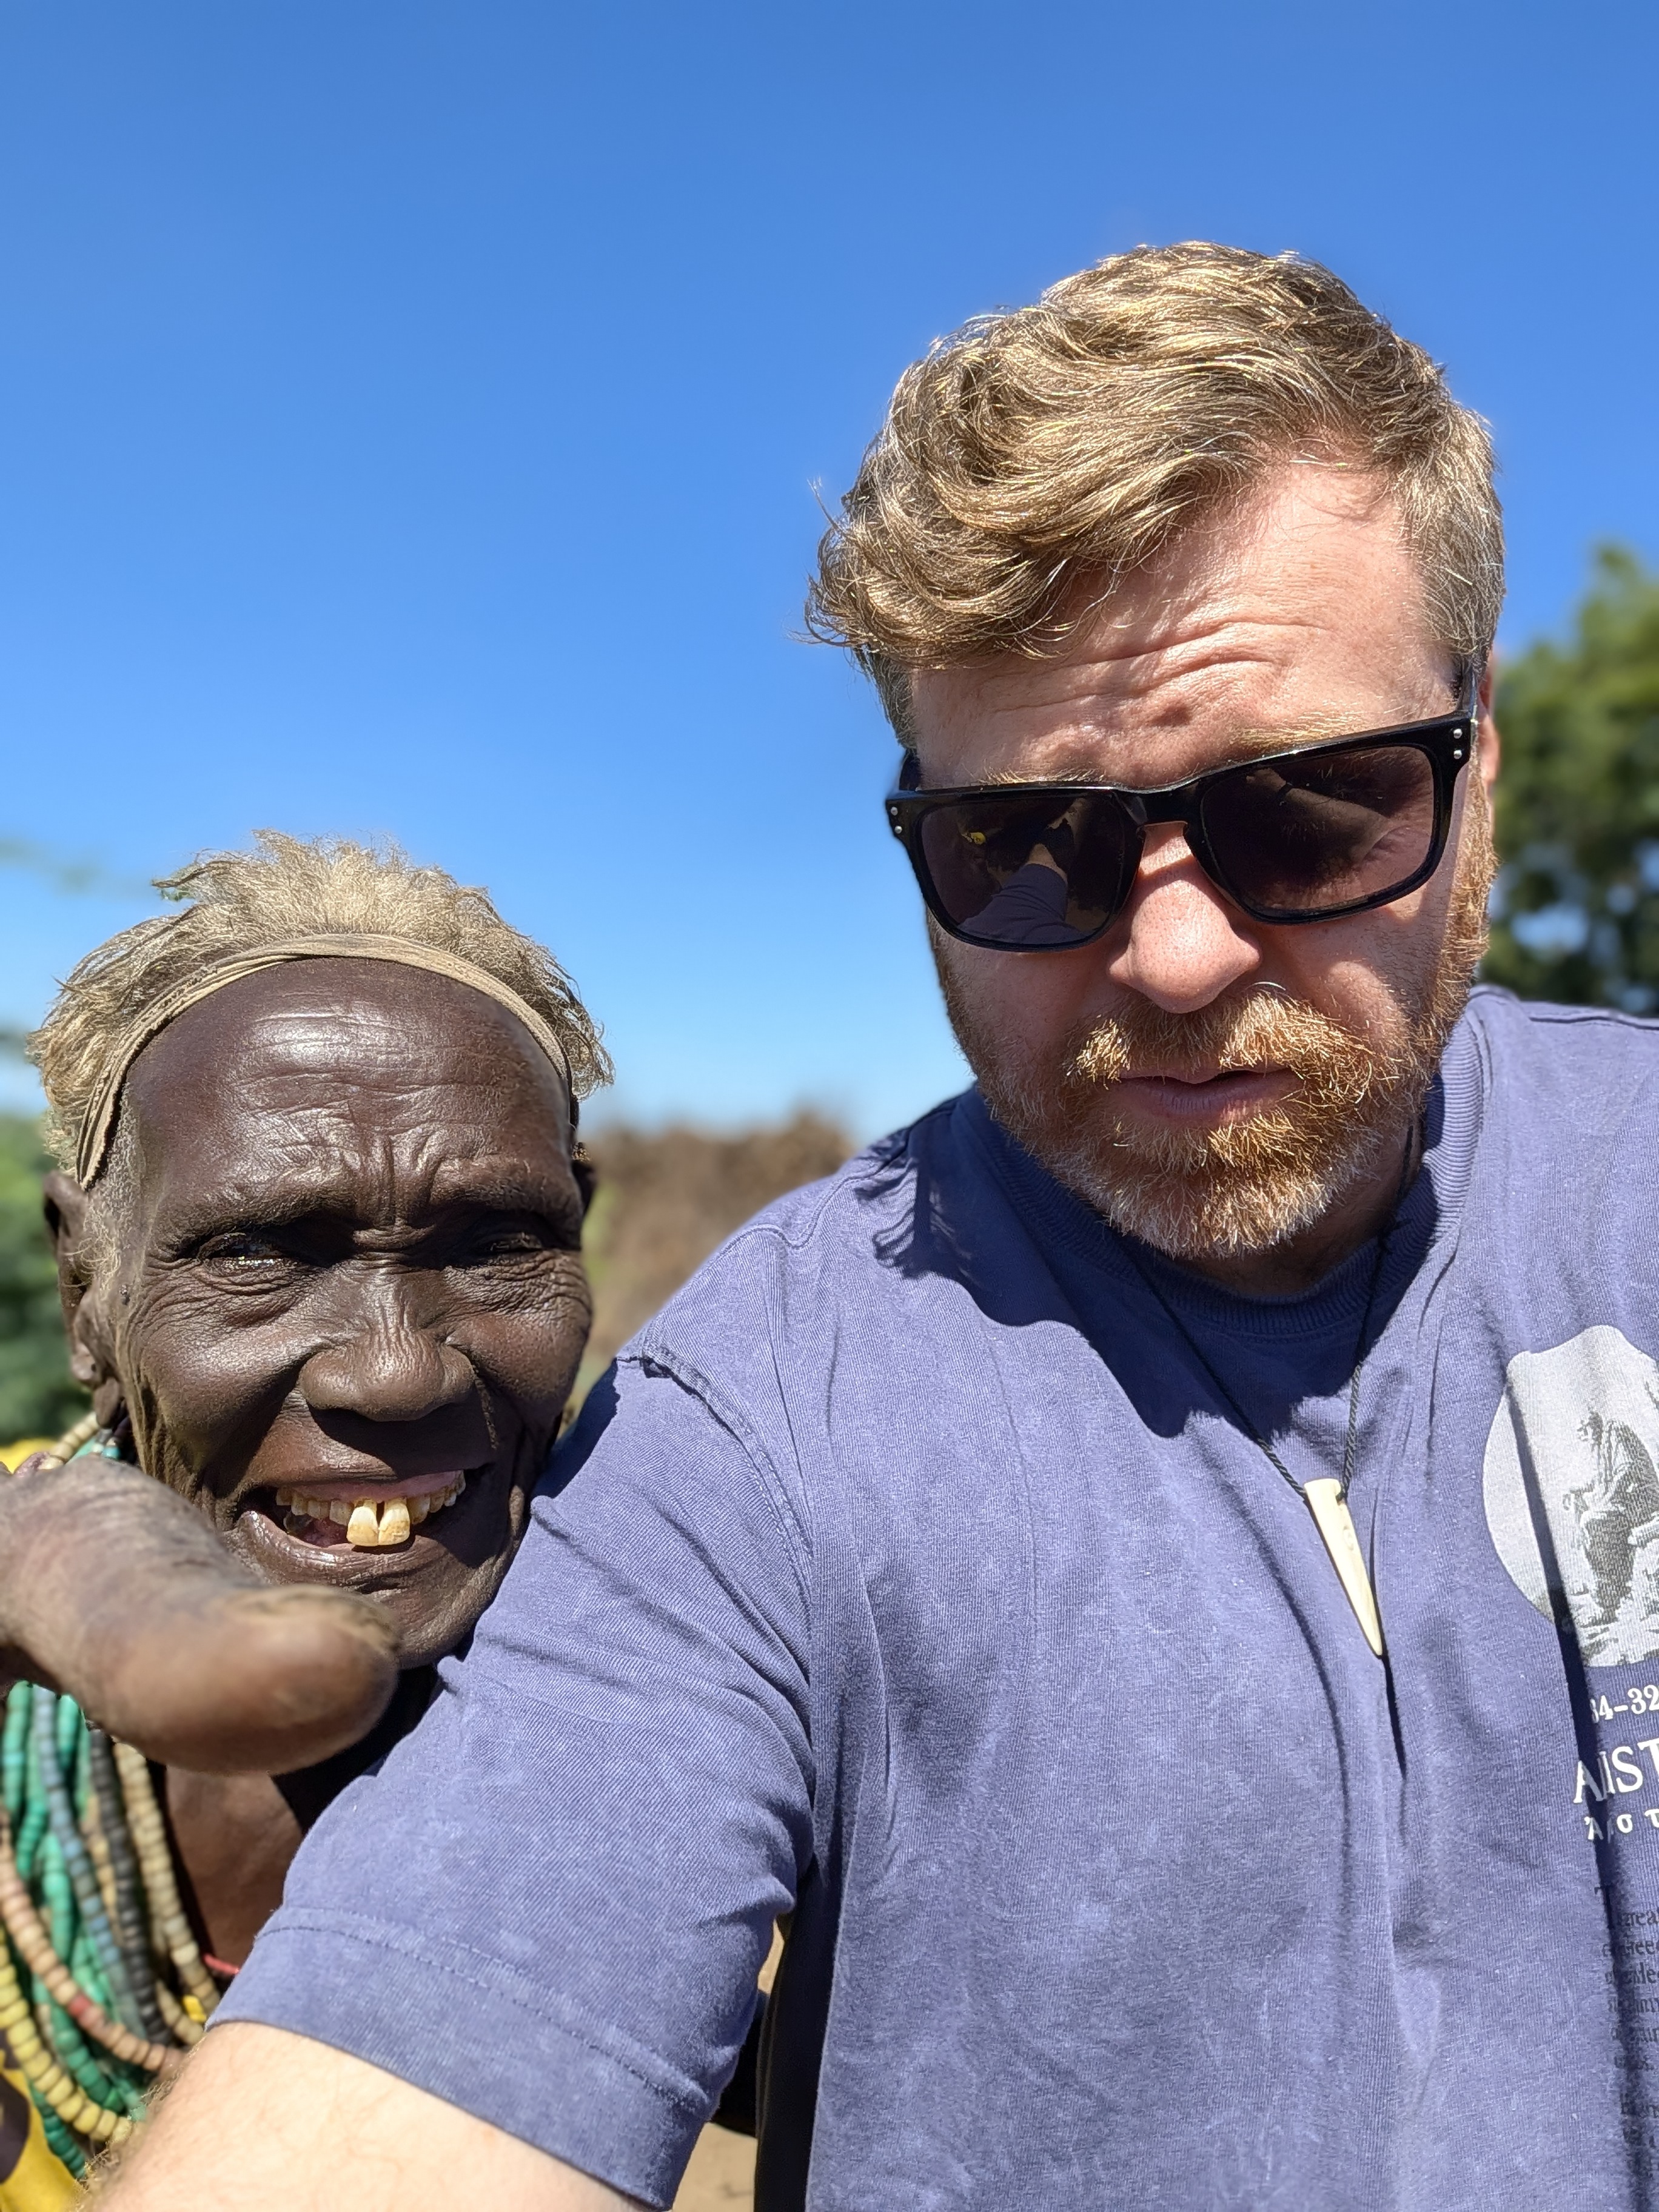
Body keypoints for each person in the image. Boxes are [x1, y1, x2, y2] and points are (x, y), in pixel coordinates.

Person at [98, 242, 1659, 2209]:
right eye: (1027, 849)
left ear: (1475, 753)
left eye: (1312, 810)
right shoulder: (760, 1417)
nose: (1176, 955)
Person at [0, 833, 608, 2197]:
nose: (397, 1371)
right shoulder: (18, 1571)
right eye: (259, 1251)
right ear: (87, 1291)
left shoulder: (704, 1660)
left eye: (497, 1244)